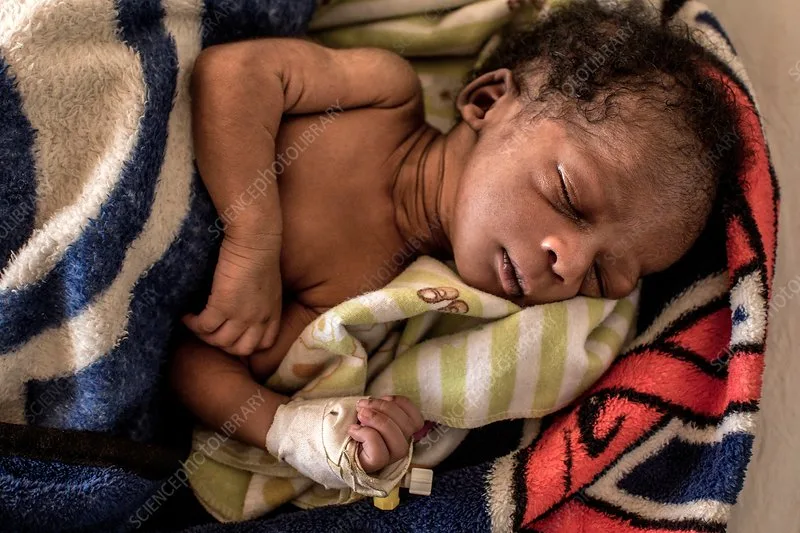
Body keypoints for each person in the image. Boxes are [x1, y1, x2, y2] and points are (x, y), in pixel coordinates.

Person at [172, 1, 740, 479]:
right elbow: (233, 73)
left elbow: (196, 361)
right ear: (488, 102)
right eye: (569, 195)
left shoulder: (368, 307)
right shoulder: (384, 94)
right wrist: (251, 239)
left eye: (601, 276)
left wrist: (302, 431)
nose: (569, 264)